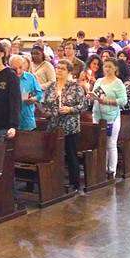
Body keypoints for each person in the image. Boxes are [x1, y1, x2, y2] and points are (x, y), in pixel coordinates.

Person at [40, 59, 87, 191]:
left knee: (71, 155)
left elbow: (83, 105)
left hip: (70, 127)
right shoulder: (51, 86)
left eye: (62, 69)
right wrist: (48, 112)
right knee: (53, 155)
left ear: (69, 72)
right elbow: (44, 104)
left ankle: (74, 184)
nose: (59, 70)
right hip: (54, 126)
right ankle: (54, 181)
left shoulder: (75, 87)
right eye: (57, 68)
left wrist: (70, 109)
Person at [91, 59, 128, 176]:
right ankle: (101, 167)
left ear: (115, 68)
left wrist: (107, 101)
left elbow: (123, 101)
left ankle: (111, 170)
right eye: (105, 66)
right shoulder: (99, 81)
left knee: (110, 144)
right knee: (99, 142)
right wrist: (91, 97)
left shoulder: (118, 83)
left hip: (112, 116)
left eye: (110, 67)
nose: (107, 69)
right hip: (97, 115)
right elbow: (95, 94)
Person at [10, 55, 43, 132]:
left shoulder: (30, 77)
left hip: (27, 119)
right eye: (14, 69)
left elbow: (39, 93)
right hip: (11, 121)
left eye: (20, 67)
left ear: (24, 66)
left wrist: (34, 99)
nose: (18, 71)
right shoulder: (6, 78)